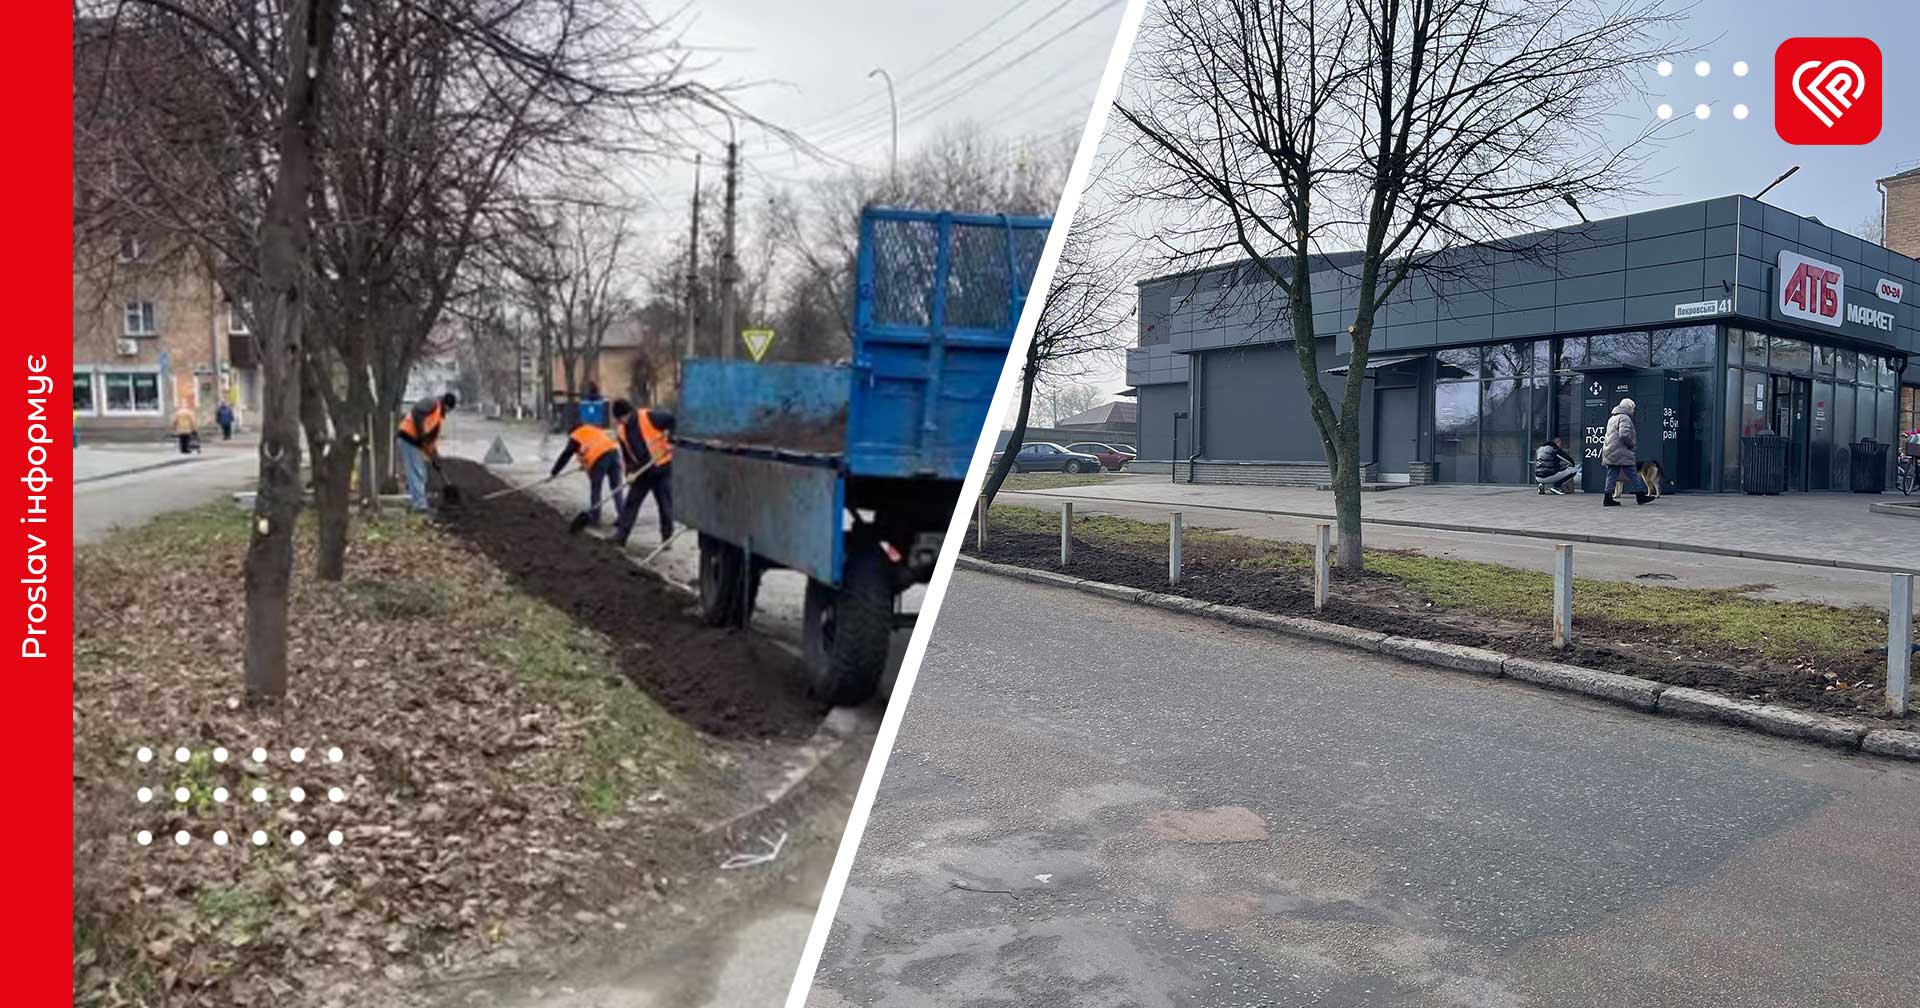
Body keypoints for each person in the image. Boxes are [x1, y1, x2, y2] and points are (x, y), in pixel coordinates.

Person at [610, 399, 674, 548]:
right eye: (618, 420)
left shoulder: (649, 417)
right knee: (631, 502)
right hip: (642, 471)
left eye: (621, 418)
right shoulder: (621, 431)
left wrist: (671, 441)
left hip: (660, 468)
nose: (620, 422)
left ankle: (667, 538)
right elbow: (626, 456)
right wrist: (630, 472)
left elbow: (672, 420)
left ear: (628, 413)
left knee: (665, 505)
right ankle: (621, 537)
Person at [551, 420, 623, 526]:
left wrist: (554, 472)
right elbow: (589, 450)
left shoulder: (575, 436)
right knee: (616, 488)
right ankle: (623, 518)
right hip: (614, 454)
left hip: (600, 459)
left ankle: (595, 519)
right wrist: (586, 465)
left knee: (596, 489)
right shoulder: (592, 429)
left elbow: (565, 455)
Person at [396, 392, 457, 512]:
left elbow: (430, 442)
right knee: (416, 471)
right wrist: (422, 434)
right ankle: (419, 506)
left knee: (422, 473)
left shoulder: (437, 419)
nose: (448, 412)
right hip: (407, 438)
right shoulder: (432, 403)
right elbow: (417, 412)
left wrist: (434, 458)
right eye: (449, 409)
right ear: (447, 406)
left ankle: (416, 501)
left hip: (414, 442)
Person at [1601, 397, 1648, 507]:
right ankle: (1640, 495)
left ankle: (1607, 497)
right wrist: (1631, 444)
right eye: (1633, 408)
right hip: (1621, 451)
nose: (1634, 410)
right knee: (1632, 471)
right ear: (1629, 407)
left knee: (1612, 474)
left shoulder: (1613, 418)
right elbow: (1624, 434)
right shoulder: (1624, 418)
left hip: (1611, 450)